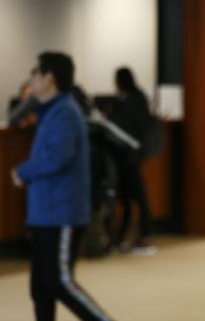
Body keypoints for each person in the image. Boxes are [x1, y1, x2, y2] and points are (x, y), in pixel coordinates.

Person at [11, 51, 112, 321]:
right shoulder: (51, 111)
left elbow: (57, 158)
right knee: (40, 288)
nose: (31, 80)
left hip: (61, 213)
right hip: (45, 212)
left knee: (60, 283)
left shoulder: (65, 112)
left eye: (35, 74)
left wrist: (23, 171)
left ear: (49, 78)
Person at [107, 67, 156, 255]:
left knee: (135, 197)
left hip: (129, 156)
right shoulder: (138, 98)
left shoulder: (130, 101)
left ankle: (143, 236)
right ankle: (123, 236)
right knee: (129, 197)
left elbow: (123, 125)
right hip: (133, 155)